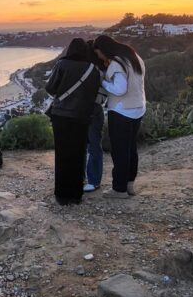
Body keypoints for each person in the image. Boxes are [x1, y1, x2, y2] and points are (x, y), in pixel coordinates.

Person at [45, 38, 102, 205]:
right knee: (79, 153)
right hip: (82, 116)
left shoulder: (62, 65)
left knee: (62, 155)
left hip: (61, 115)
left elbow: (50, 88)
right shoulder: (92, 68)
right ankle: (76, 194)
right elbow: (93, 93)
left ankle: (62, 195)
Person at [92, 35, 146, 199]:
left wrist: (102, 82)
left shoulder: (117, 63)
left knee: (120, 151)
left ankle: (119, 189)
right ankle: (129, 184)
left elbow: (119, 89)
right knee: (131, 148)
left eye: (98, 53)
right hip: (138, 107)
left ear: (104, 49)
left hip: (122, 110)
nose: (99, 57)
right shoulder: (135, 57)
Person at [84, 44, 107, 192]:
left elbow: (101, 94)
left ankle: (94, 180)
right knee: (91, 145)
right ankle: (92, 179)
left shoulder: (97, 71)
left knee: (92, 146)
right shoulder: (100, 69)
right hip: (93, 109)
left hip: (90, 110)